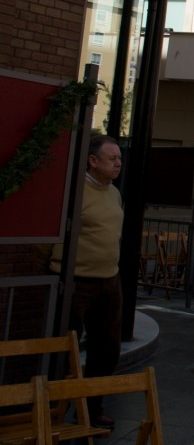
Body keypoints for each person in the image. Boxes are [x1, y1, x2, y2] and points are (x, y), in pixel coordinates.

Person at [49, 135, 124, 429]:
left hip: (110, 279)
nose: (118, 163)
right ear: (92, 161)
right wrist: (56, 266)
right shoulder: (74, 191)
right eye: (112, 158)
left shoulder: (114, 193)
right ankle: (53, 408)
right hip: (76, 281)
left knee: (107, 349)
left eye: (119, 158)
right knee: (64, 344)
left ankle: (93, 409)